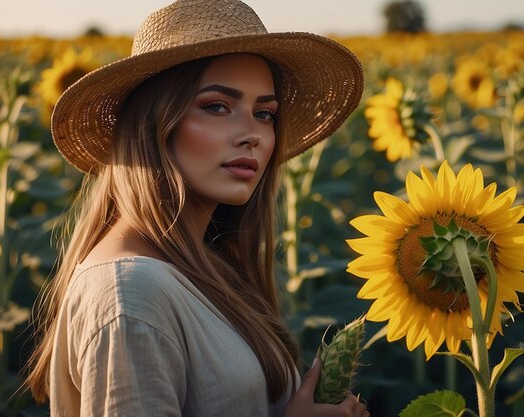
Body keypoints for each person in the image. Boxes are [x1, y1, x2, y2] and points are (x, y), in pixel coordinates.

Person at [25, 0, 365, 416]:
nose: (252, 135)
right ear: (154, 124)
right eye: (217, 106)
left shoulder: (200, 266)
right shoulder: (131, 294)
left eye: (264, 113)